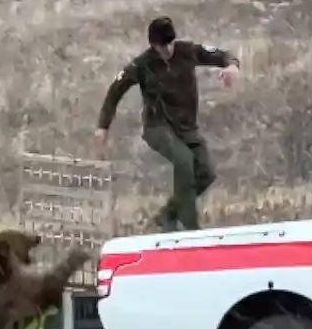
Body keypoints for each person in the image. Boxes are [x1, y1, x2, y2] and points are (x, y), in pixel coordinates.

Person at [94, 16, 242, 232]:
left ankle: (167, 214)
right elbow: (115, 90)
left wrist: (232, 66)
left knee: (205, 173)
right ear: (153, 46)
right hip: (158, 127)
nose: (168, 50)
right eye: (163, 47)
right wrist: (103, 126)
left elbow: (221, 55)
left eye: (171, 44)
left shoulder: (187, 51)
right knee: (184, 161)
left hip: (187, 128)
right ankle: (190, 227)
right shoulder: (142, 64)